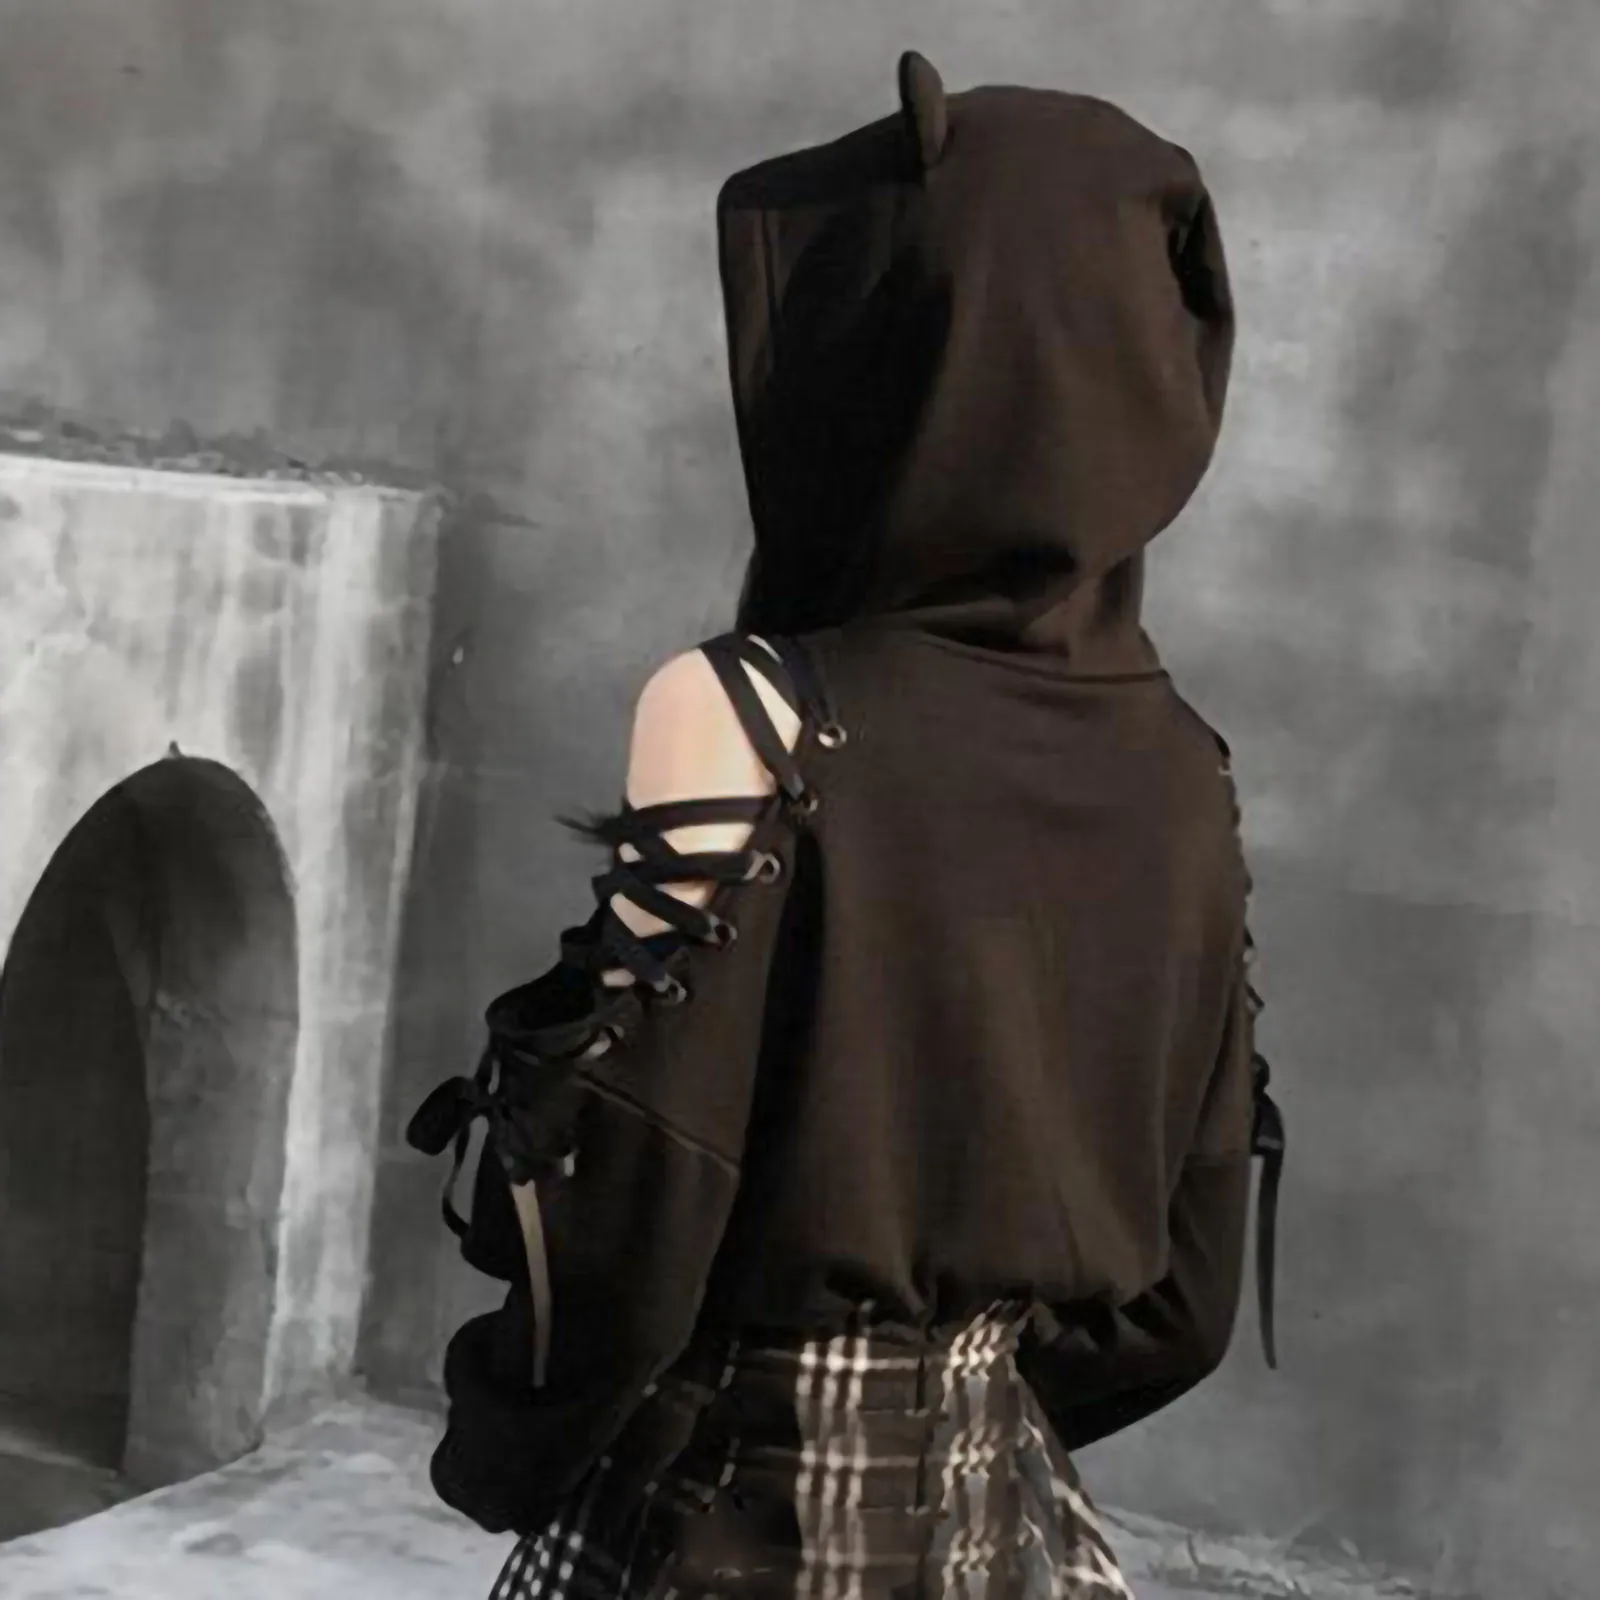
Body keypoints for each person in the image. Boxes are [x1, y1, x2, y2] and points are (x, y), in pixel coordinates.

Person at [407, 47, 1282, 1600]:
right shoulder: (1186, 770)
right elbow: (1187, 1289)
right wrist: (967, 1408)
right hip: (1012, 1515)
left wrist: (502, 1446)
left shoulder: (751, 711)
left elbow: (628, 1220)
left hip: (733, 1509)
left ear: (915, 354)